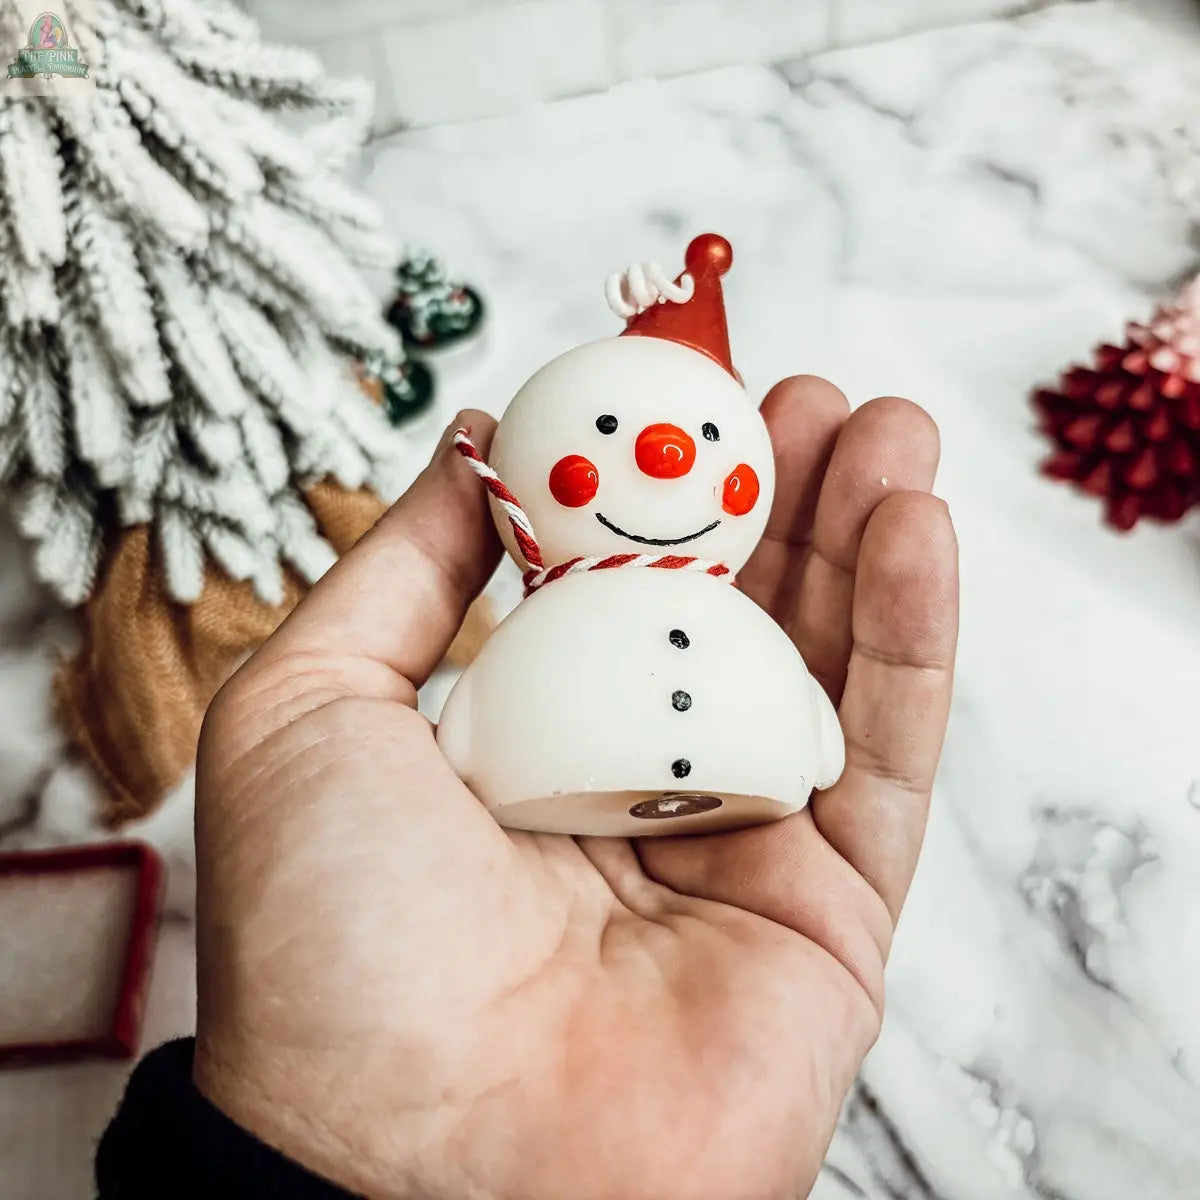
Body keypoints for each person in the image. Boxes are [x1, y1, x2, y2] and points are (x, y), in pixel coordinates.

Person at [96, 379, 959, 1200]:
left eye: (703, 438)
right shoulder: (551, 620)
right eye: (608, 433)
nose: (662, 455)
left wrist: (810, 734)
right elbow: (486, 707)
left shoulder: (737, 619)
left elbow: (793, 698)